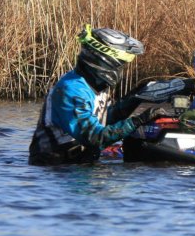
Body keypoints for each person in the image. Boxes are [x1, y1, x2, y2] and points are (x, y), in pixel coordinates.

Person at [29, 25, 160, 165]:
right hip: (57, 169)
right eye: (120, 65)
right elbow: (94, 137)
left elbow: (103, 120)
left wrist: (136, 98)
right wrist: (137, 121)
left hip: (80, 164)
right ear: (105, 63)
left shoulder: (94, 84)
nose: (121, 70)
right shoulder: (71, 90)